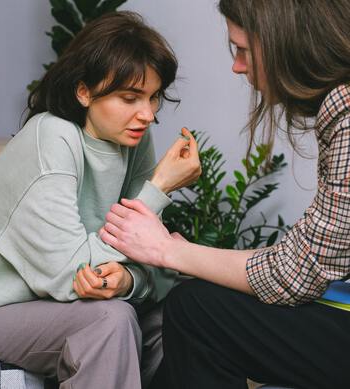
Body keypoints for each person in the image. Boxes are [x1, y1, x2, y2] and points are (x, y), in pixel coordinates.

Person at [0, 11, 201, 389]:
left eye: (153, 98)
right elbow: (70, 277)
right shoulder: (51, 138)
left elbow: (153, 256)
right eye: (130, 97)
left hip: (53, 309)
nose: (147, 114)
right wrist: (159, 188)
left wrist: (129, 280)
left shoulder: (133, 140)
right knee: (109, 321)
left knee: (191, 307)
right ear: (84, 91)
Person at [99, 1, 350, 388]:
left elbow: (298, 273)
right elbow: (309, 256)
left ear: (286, 42)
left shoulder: (345, 109)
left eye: (243, 49)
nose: (237, 65)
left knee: (195, 308)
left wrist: (166, 250)